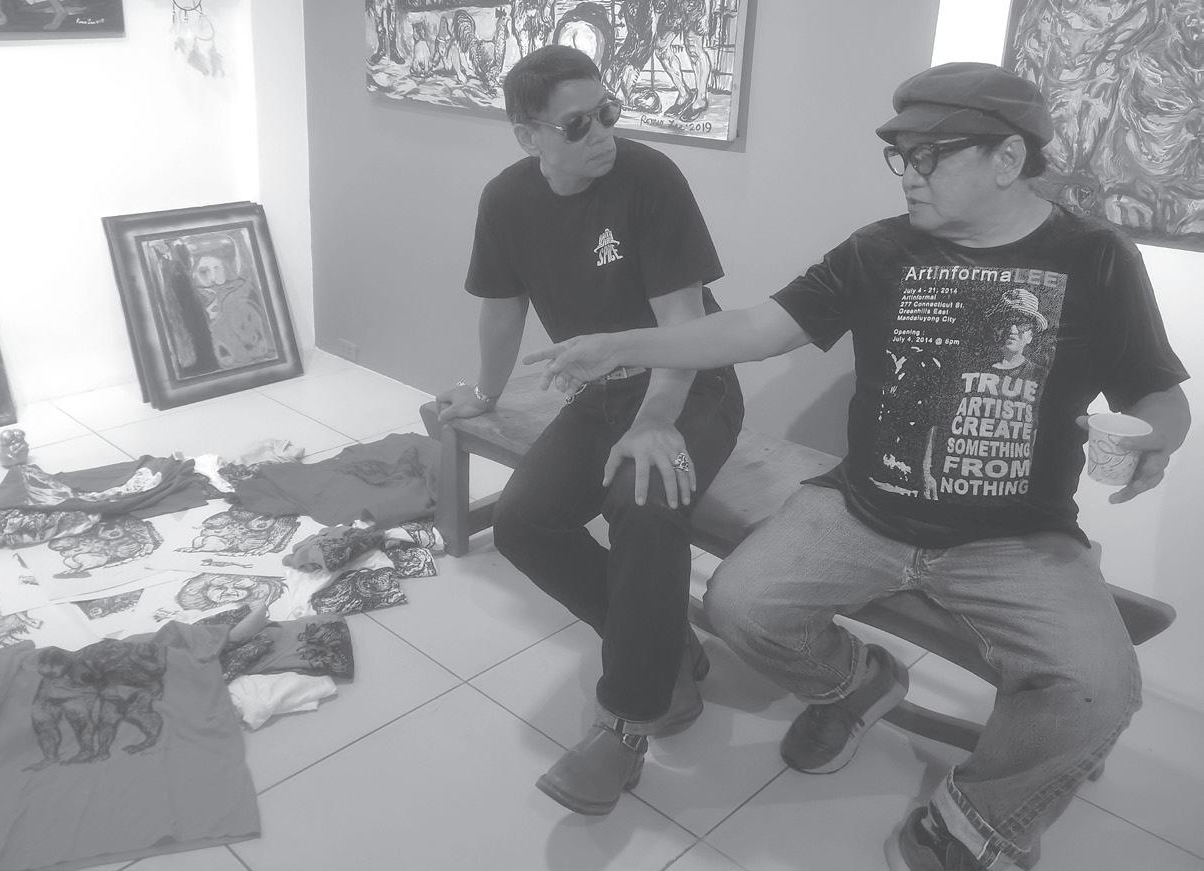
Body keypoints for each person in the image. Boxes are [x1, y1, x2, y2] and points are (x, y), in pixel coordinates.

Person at [525, 62, 1190, 869]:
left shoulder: (1096, 257)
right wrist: (617, 346)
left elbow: (1157, 391)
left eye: (930, 155)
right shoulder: (879, 250)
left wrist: (1159, 434)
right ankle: (856, 684)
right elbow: (751, 329)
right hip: (864, 508)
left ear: (1008, 158)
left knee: (1100, 688)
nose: (907, 174)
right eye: (900, 155)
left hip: (1020, 536)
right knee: (740, 605)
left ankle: (972, 818)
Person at [434, 44, 743, 816]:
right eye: (578, 124)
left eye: (607, 112)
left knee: (643, 500)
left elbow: (683, 326)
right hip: (600, 388)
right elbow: (501, 308)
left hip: (689, 382)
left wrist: (654, 424)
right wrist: (484, 392)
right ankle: (665, 648)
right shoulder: (507, 200)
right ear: (527, 135)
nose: (603, 132)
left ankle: (627, 721)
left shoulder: (649, 178)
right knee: (523, 521)